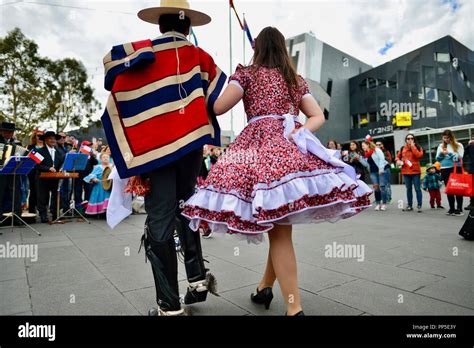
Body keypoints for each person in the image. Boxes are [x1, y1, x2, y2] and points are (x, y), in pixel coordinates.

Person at [182, 26, 372, 316]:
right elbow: (317, 116)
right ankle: (264, 288)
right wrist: (297, 135)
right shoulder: (293, 79)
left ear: (257, 48)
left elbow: (219, 107)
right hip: (289, 148)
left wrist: (201, 88)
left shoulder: (246, 74)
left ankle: (295, 309)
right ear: (283, 48)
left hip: (256, 148)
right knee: (281, 225)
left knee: (280, 233)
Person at [101, 0, 226, 316]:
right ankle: (197, 279)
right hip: (190, 151)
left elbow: (113, 71)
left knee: (159, 219)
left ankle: (169, 305)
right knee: (187, 206)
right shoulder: (200, 57)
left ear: (160, 25)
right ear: (189, 27)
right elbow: (218, 99)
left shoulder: (142, 53)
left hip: (155, 153)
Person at [36, 131, 65, 223]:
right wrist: (48, 168)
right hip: (42, 178)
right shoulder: (39, 151)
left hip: (55, 178)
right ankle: (43, 216)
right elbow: (36, 165)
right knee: (43, 197)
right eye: (50, 138)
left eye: (54, 138)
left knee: (56, 196)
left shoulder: (58, 152)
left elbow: (61, 164)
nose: (53, 140)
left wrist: (61, 168)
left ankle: (55, 214)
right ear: (45, 140)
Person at [436, 130, 465, 216]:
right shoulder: (440, 146)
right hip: (445, 169)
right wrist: (442, 153)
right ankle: (451, 208)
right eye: (444, 138)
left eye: (448, 138)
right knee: (449, 189)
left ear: (451, 137)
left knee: (457, 188)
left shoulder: (458, 145)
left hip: (456, 168)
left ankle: (459, 209)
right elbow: (438, 159)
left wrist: (450, 153)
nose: (446, 139)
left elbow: (460, 156)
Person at [0, 122, 23, 224]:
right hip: (1, 174)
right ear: (1, 131)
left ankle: (17, 217)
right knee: (1, 195)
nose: (9, 134)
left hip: (13, 174)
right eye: (7, 131)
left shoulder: (15, 143)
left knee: (16, 194)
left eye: (11, 132)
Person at [395, 133, 424, 213]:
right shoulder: (402, 148)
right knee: (408, 189)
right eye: (408, 138)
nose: (410, 140)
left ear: (414, 139)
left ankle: (419, 205)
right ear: (406, 140)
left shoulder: (418, 147)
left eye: (411, 138)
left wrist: (412, 146)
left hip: (415, 171)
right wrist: (398, 160)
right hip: (406, 171)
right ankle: (410, 205)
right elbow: (397, 156)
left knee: (417, 189)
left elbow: (418, 155)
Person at [361, 140, 389, 211]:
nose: (362, 147)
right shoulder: (366, 154)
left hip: (382, 169)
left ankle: (384, 204)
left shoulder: (376, 150)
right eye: (362, 146)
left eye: (363, 145)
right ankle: (378, 203)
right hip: (373, 172)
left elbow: (382, 158)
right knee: (376, 187)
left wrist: (381, 168)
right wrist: (360, 159)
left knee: (382, 187)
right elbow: (366, 165)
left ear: (368, 144)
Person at [463, 135, 474, 211]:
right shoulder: (470, 146)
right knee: (472, 187)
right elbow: (463, 154)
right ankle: (472, 203)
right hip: (472, 169)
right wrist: (468, 145)